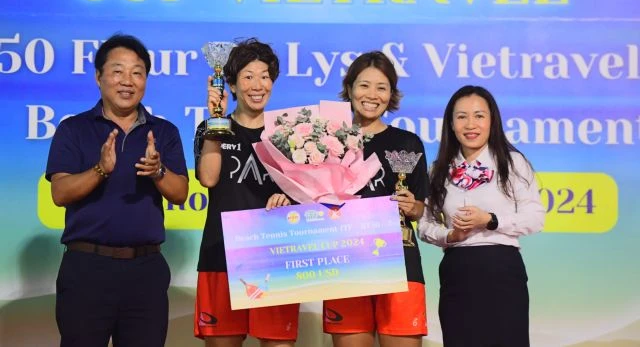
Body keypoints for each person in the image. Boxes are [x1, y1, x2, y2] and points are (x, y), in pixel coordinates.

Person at [45, 33, 189, 347]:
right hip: (86, 269)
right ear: (99, 78)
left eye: (137, 72)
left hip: (145, 271)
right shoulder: (74, 129)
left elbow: (180, 193)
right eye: (117, 71)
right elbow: (60, 193)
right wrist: (99, 170)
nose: (127, 80)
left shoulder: (163, 132)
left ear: (146, 80)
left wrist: (158, 171)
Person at [418, 85, 545, 347]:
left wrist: (491, 219)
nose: (470, 124)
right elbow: (425, 225)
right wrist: (450, 235)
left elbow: (535, 218)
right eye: (461, 116)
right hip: (458, 270)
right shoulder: (439, 169)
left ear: (492, 121)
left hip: (502, 268)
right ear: (451, 124)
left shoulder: (512, 163)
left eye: (479, 115)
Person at [193, 38, 299, 347]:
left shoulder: (290, 134)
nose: (258, 84)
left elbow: (306, 194)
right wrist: (216, 119)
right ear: (233, 85)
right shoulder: (211, 128)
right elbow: (209, 178)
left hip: (275, 259)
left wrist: (289, 200)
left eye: (265, 76)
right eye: (248, 76)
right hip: (221, 257)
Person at [323, 51, 429, 347]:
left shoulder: (407, 143)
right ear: (350, 88)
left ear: (391, 94)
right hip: (344, 263)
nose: (372, 95)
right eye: (364, 85)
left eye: (381, 87)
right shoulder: (325, 141)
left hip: (399, 263)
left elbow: (421, 208)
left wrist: (413, 205)